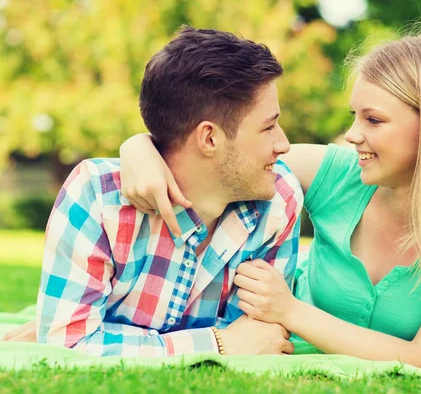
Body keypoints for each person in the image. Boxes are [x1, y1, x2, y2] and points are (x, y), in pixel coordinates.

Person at [118, 27, 421, 367]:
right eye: (354, 116)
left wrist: (289, 311)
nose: (354, 134)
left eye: (374, 120)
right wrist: (139, 147)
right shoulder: (340, 174)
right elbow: (228, 157)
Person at [1, 27, 304, 357]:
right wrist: (217, 344)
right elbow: (70, 344)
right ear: (209, 139)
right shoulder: (98, 198)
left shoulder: (278, 202)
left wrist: (108, 337)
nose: (283, 144)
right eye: (268, 126)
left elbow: (258, 339)